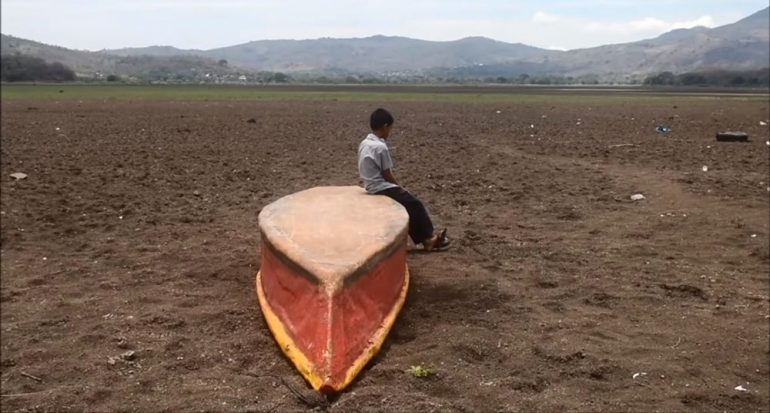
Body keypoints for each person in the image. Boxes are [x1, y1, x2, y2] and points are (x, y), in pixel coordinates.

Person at [358, 108, 450, 252]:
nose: (390, 132)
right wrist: (399, 188)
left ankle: (426, 238)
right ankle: (429, 238)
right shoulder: (380, 147)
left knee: (409, 204)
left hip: (369, 184)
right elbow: (387, 174)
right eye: (390, 128)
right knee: (415, 204)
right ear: (385, 126)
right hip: (380, 186)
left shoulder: (365, 143)